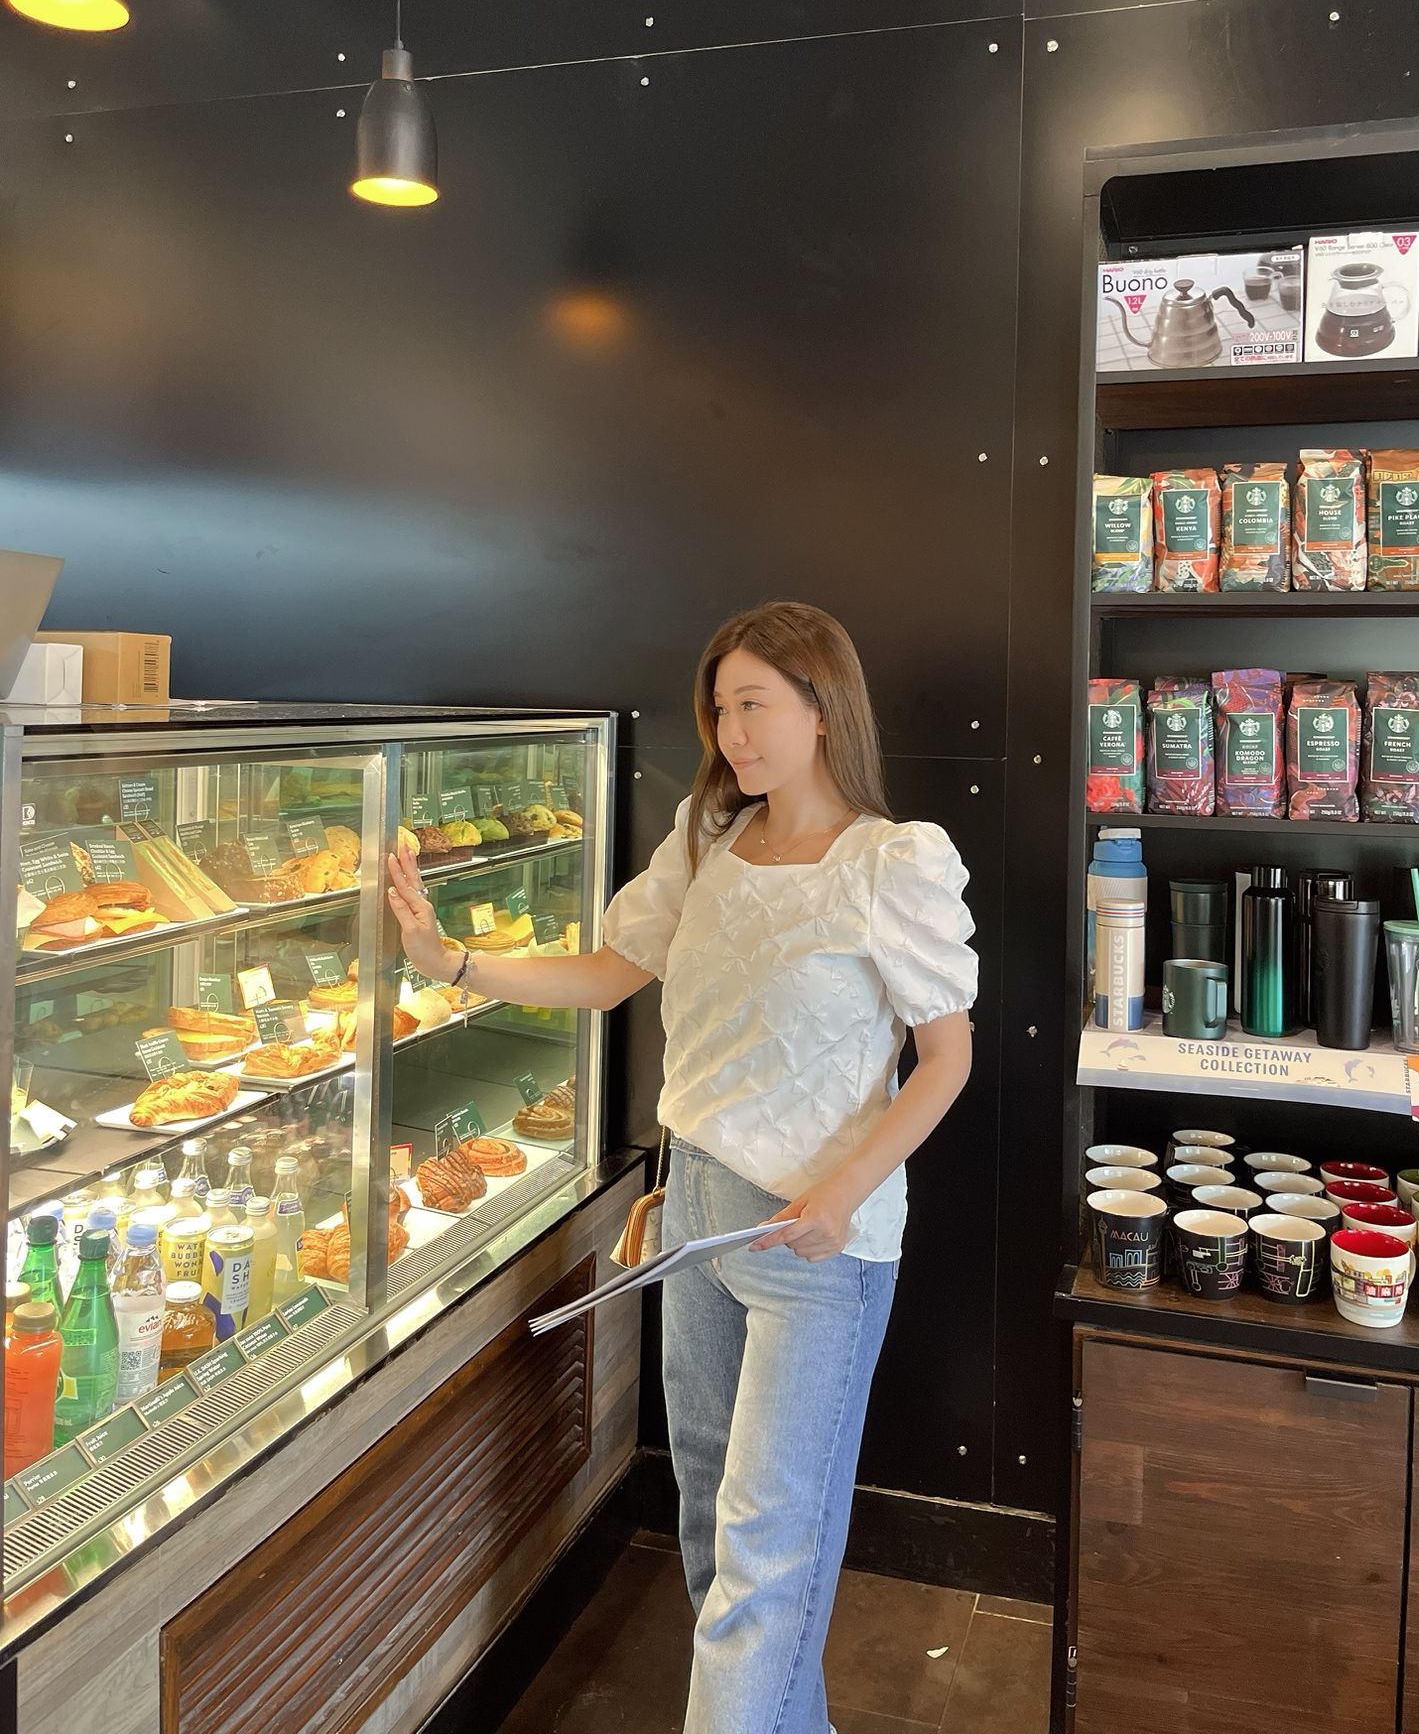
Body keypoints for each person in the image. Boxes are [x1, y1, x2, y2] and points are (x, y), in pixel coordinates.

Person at [388, 600, 978, 1734]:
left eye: (754, 704)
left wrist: (840, 1192)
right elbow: (609, 972)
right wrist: (448, 959)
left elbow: (945, 1060)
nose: (731, 733)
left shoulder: (889, 861)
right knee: (715, 1530)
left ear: (823, 708)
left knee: (765, 1555)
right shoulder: (709, 838)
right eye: (719, 709)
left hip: (815, 1243)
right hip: (695, 1208)